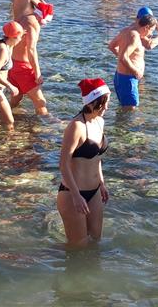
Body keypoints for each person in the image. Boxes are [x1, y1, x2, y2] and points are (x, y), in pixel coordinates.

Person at [57, 78, 111, 247]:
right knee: (77, 247)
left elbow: (97, 158)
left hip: (94, 192)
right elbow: (63, 164)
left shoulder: (100, 122)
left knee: (95, 241)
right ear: (92, 103)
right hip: (73, 193)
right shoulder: (76, 126)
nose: (107, 107)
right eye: (104, 103)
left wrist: (101, 183)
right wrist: (75, 195)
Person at [108, 10, 158, 109]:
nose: (150, 35)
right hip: (128, 79)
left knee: (124, 109)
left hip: (120, 76)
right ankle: (128, 125)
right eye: (152, 31)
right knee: (130, 110)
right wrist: (135, 71)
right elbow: (123, 57)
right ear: (146, 27)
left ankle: (120, 124)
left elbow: (112, 46)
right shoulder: (135, 37)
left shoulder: (126, 30)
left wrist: (125, 60)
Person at [9, 1, 53, 116]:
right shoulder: (33, 24)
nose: (43, 25)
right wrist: (38, 73)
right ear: (42, 17)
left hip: (11, 64)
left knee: (17, 96)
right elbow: (31, 50)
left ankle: (8, 115)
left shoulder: (22, 18)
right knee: (40, 102)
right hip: (22, 68)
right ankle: (50, 127)